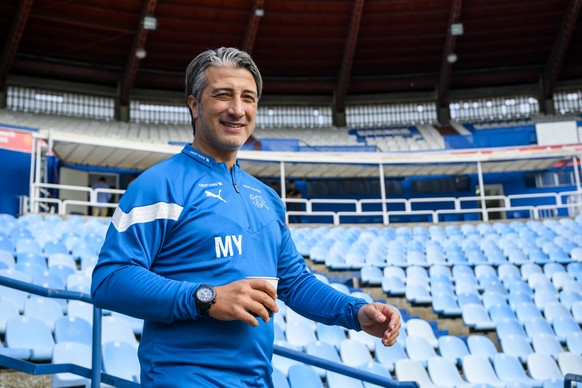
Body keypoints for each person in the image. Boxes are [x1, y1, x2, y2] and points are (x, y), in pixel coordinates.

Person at [90, 47, 401, 387]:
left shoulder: (267, 197)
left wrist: (355, 312)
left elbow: (294, 282)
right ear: (194, 105)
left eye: (248, 98)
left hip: (257, 379)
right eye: (222, 96)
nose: (237, 109)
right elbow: (110, 279)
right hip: (184, 378)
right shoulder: (158, 184)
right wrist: (205, 298)